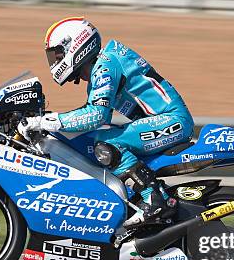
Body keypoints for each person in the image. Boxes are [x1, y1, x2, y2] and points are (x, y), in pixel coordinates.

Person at [18, 17, 194, 227]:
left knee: (107, 144)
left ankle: (156, 199)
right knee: (98, 139)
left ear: (74, 44)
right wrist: (50, 121)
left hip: (173, 120)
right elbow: (92, 118)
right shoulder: (101, 68)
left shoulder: (106, 65)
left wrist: (47, 121)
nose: (55, 62)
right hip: (163, 120)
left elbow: (96, 115)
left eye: (57, 55)